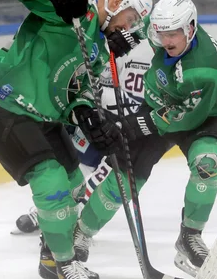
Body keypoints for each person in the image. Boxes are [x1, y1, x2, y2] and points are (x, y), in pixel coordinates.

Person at [0, 0, 152, 279]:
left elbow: (76, 88)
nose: (129, 30)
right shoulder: (76, 2)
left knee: (72, 184)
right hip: (4, 103)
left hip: (39, 115)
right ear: (114, 3)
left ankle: (51, 264)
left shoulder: (98, 46)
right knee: (51, 182)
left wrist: (87, 115)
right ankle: (68, 263)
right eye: (130, 20)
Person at [72, 0, 217, 278]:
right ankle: (82, 231)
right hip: (159, 102)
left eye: (173, 35)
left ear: (191, 28)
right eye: (161, 34)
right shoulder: (161, 28)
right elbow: (141, 24)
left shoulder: (205, 72)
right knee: (125, 175)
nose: (166, 42)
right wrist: (123, 39)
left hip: (201, 115)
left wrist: (135, 125)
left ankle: (190, 236)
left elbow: (182, 117)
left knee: (208, 162)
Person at [12, 43, 153, 235]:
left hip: (125, 124)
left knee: (106, 167)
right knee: (76, 160)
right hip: (96, 115)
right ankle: (60, 209)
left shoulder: (153, 52)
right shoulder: (114, 40)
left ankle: (78, 210)